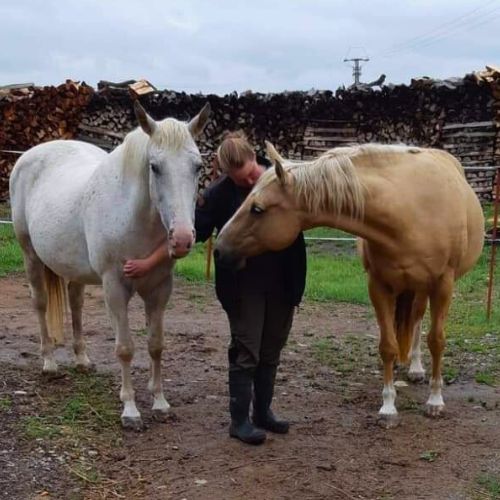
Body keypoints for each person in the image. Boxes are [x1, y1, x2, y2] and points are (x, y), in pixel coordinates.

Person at [124, 132, 306, 445]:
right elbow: (186, 240)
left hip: (283, 282)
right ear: (224, 173)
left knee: (271, 349)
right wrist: (150, 262)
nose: (248, 181)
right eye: (239, 179)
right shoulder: (220, 193)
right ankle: (239, 421)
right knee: (246, 348)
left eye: (250, 173)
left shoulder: (282, 180)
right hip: (243, 285)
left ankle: (263, 412)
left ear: (255, 159)